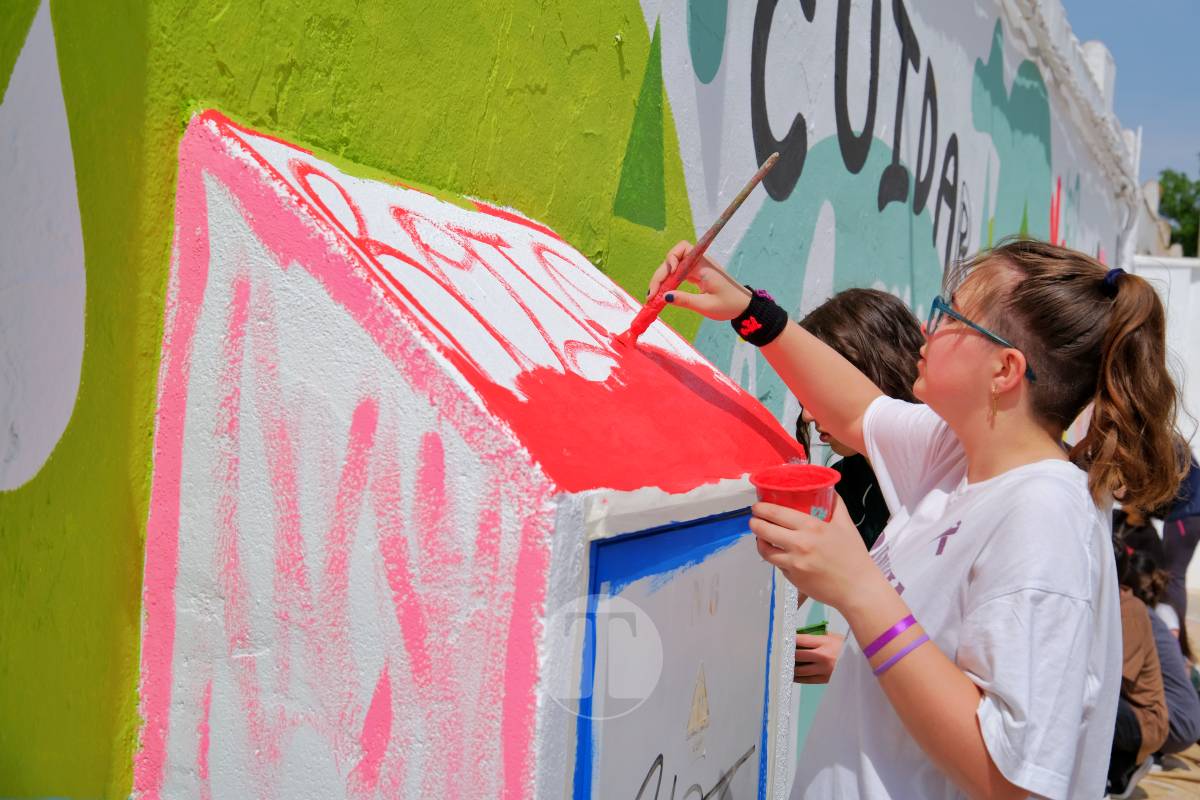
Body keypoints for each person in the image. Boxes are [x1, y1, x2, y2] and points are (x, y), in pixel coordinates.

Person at [649, 236, 1187, 799]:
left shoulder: (1044, 520)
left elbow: (1008, 780)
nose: (930, 331)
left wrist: (859, 589)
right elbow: (857, 411)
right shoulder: (960, 455)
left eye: (951, 316)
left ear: (1004, 369)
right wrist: (749, 311)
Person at [791, 290, 924, 686]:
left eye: (821, 389)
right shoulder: (850, 481)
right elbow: (786, 590)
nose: (808, 414)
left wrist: (858, 663)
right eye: (803, 390)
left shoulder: (944, 484)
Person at [1113, 521, 1200, 759]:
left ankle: (1126, 767)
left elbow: (1117, 676)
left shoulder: (1134, 612)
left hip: (1176, 722)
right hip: (1176, 714)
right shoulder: (1145, 610)